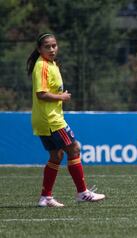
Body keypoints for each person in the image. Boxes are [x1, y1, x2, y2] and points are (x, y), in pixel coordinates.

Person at [27, 33, 105, 207]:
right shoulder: (42, 66)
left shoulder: (50, 64)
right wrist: (61, 97)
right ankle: (83, 193)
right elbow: (41, 94)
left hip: (44, 119)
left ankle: (46, 197)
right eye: (47, 46)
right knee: (74, 148)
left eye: (54, 45)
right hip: (51, 120)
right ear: (39, 49)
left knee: (57, 155)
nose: (52, 49)